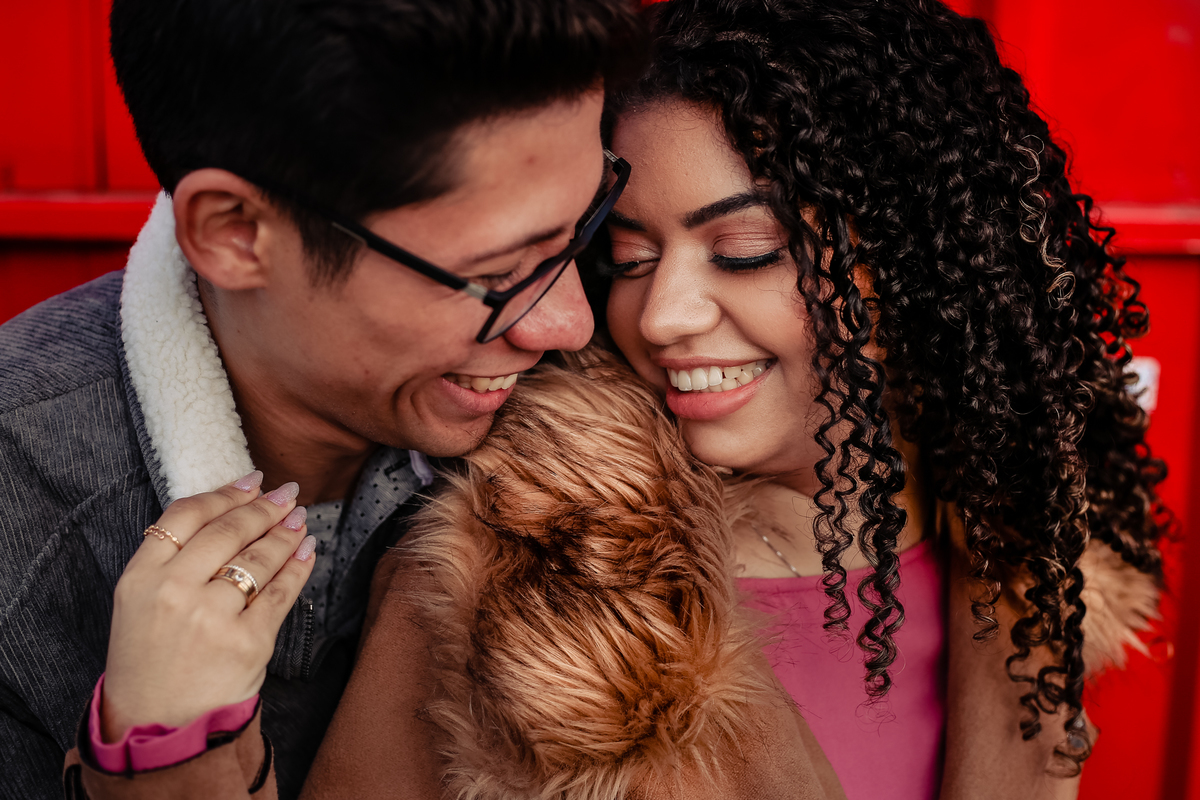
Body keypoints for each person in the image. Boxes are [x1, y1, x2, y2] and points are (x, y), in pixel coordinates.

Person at [63, 0, 1167, 797]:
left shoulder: (1032, 560)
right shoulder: (504, 568)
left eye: (743, 249)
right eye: (628, 256)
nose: (663, 313)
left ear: (921, 263)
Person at [0, 0, 646, 796]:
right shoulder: (17, 518)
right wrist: (158, 756)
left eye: (582, 230)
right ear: (236, 231)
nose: (572, 325)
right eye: (501, 272)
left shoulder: (641, 382)